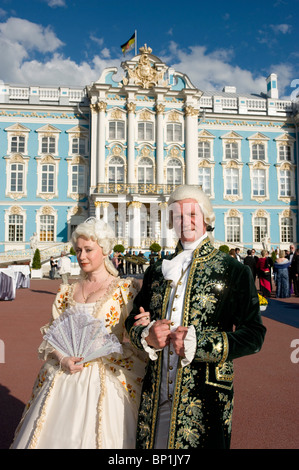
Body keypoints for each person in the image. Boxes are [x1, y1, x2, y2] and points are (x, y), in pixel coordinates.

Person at [125, 185, 266, 449]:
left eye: (192, 214)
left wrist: (199, 344)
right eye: (177, 215)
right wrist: (146, 336)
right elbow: (134, 318)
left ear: (206, 219)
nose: (185, 221)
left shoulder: (233, 270)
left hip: (206, 395)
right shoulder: (156, 271)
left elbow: (254, 335)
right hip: (156, 393)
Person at [11, 218, 149, 449]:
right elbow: (52, 334)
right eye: (78, 250)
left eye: (88, 250)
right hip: (64, 373)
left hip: (107, 375)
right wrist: (63, 358)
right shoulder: (66, 291)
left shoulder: (125, 289)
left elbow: (134, 336)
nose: (81, 256)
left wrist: (143, 328)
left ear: (104, 250)